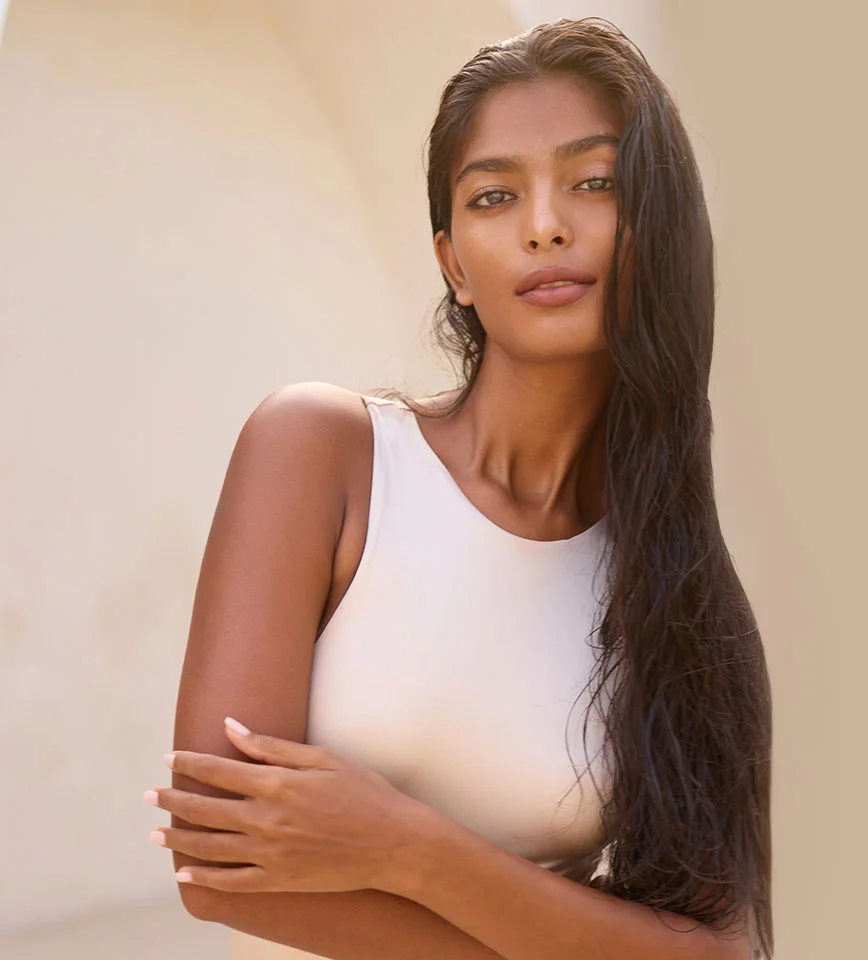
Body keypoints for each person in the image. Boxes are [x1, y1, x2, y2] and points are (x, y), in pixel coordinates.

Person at [169, 17, 772, 960]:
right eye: (494, 197)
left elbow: (718, 950)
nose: (544, 223)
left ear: (654, 227)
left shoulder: (678, 582)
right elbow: (217, 867)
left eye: (594, 183)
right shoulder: (323, 453)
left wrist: (407, 848)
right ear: (453, 263)